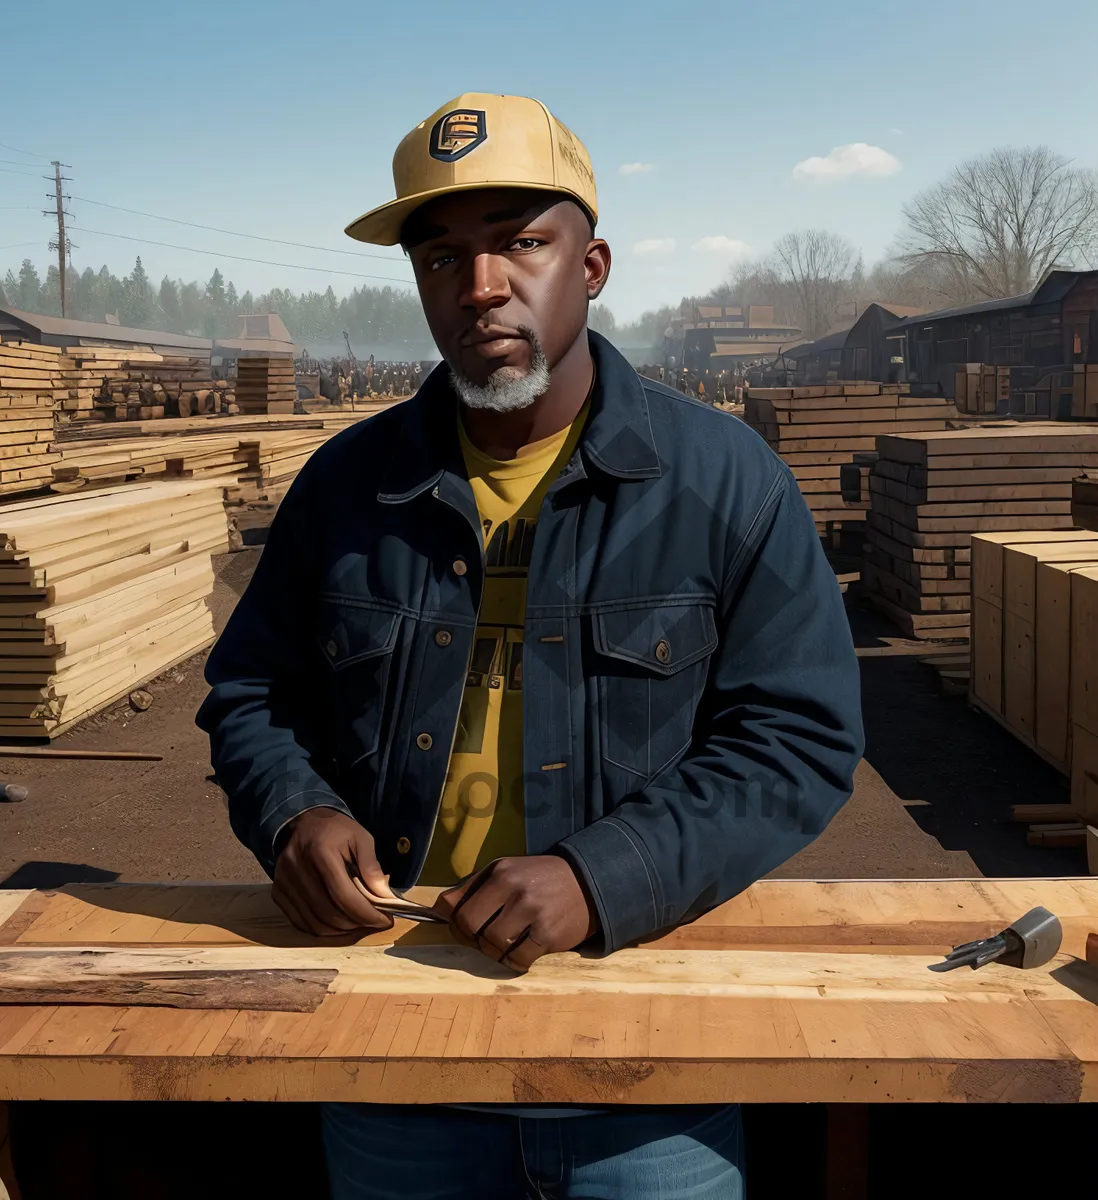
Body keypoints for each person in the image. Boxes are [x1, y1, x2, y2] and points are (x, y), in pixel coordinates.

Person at [198, 91, 862, 1200]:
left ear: (591, 266)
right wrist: (293, 816)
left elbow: (797, 738)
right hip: (390, 1061)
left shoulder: (724, 483)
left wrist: (603, 878)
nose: (481, 286)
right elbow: (254, 693)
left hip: (647, 1076)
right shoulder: (347, 489)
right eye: (442, 256)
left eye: (523, 243)